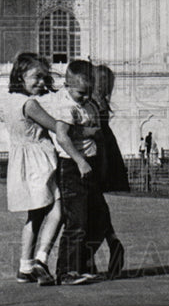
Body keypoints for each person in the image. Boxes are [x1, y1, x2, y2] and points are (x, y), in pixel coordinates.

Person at [39, 59, 106, 285]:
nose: (85, 97)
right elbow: (62, 136)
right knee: (76, 221)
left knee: (95, 220)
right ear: (67, 86)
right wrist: (80, 161)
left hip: (88, 165)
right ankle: (66, 272)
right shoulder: (66, 106)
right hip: (73, 167)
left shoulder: (84, 104)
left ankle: (83, 264)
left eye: (89, 92)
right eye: (80, 93)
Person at [4, 53, 65, 286]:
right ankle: (41, 258)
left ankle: (24, 266)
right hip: (39, 160)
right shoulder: (29, 104)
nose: (41, 82)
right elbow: (56, 127)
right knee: (58, 209)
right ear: (21, 76)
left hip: (22, 161)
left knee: (35, 215)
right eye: (37, 77)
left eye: (44, 78)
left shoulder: (9, 101)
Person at [90, 64, 127, 280]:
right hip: (106, 153)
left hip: (96, 154)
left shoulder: (92, 103)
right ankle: (110, 243)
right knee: (96, 203)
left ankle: (92, 254)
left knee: (92, 205)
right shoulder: (102, 101)